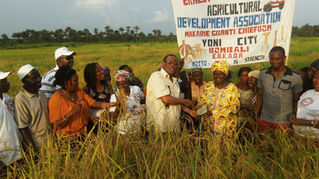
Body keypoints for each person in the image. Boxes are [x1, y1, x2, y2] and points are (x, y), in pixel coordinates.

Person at [48, 66, 118, 139]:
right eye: (75, 81)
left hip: (84, 133)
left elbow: (94, 103)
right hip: (68, 138)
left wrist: (114, 104)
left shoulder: (79, 92)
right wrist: (69, 115)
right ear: (66, 83)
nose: (78, 83)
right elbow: (55, 126)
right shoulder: (56, 99)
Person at [256, 46, 303, 133]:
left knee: (281, 145)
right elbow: (260, 95)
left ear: (284, 58)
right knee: (263, 145)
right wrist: (257, 115)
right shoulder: (263, 74)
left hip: (284, 121)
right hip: (264, 119)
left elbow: (296, 100)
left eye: (278, 59)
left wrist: (293, 116)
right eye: (271, 59)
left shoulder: (295, 77)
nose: (274, 62)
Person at [146, 54, 196, 133]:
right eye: (170, 62)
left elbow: (176, 101)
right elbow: (166, 99)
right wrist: (186, 101)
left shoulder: (174, 81)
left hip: (174, 126)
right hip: (159, 127)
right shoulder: (156, 76)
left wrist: (189, 111)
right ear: (163, 64)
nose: (173, 65)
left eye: (175, 64)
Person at [197, 60, 240, 138]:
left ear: (225, 75)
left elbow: (235, 107)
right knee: (211, 147)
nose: (217, 76)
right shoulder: (209, 86)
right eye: (215, 74)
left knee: (226, 148)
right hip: (209, 126)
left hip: (226, 127)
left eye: (220, 74)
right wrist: (202, 108)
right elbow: (201, 100)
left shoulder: (232, 88)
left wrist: (215, 113)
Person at [15, 64, 51, 152]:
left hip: (50, 142)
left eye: (38, 75)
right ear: (25, 81)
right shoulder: (20, 99)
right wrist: (34, 151)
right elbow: (23, 128)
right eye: (34, 78)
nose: (39, 79)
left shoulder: (41, 93)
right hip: (37, 145)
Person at [109, 70, 145, 135]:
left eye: (124, 84)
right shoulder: (115, 96)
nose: (122, 87)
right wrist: (119, 104)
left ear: (129, 82)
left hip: (139, 125)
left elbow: (142, 99)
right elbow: (114, 116)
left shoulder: (136, 89)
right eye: (119, 85)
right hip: (123, 129)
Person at [0, 71, 22, 166]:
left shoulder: (8, 98)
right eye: (4, 81)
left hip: (17, 154)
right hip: (3, 159)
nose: (8, 83)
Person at [290, 69, 319, 138]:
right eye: (316, 77)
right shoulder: (308, 93)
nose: (317, 81)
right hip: (298, 136)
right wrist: (293, 116)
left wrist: (305, 122)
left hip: (315, 139)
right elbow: (299, 109)